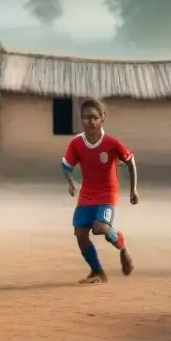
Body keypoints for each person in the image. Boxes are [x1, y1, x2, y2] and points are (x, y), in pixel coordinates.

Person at [61, 99, 138, 284]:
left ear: (102, 118)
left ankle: (122, 248)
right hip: (87, 195)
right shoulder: (76, 143)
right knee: (80, 234)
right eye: (86, 118)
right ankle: (97, 272)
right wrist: (70, 181)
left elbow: (130, 162)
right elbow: (66, 165)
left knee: (100, 228)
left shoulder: (112, 143)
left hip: (107, 194)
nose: (91, 121)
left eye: (95, 117)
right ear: (81, 119)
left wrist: (133, 190)